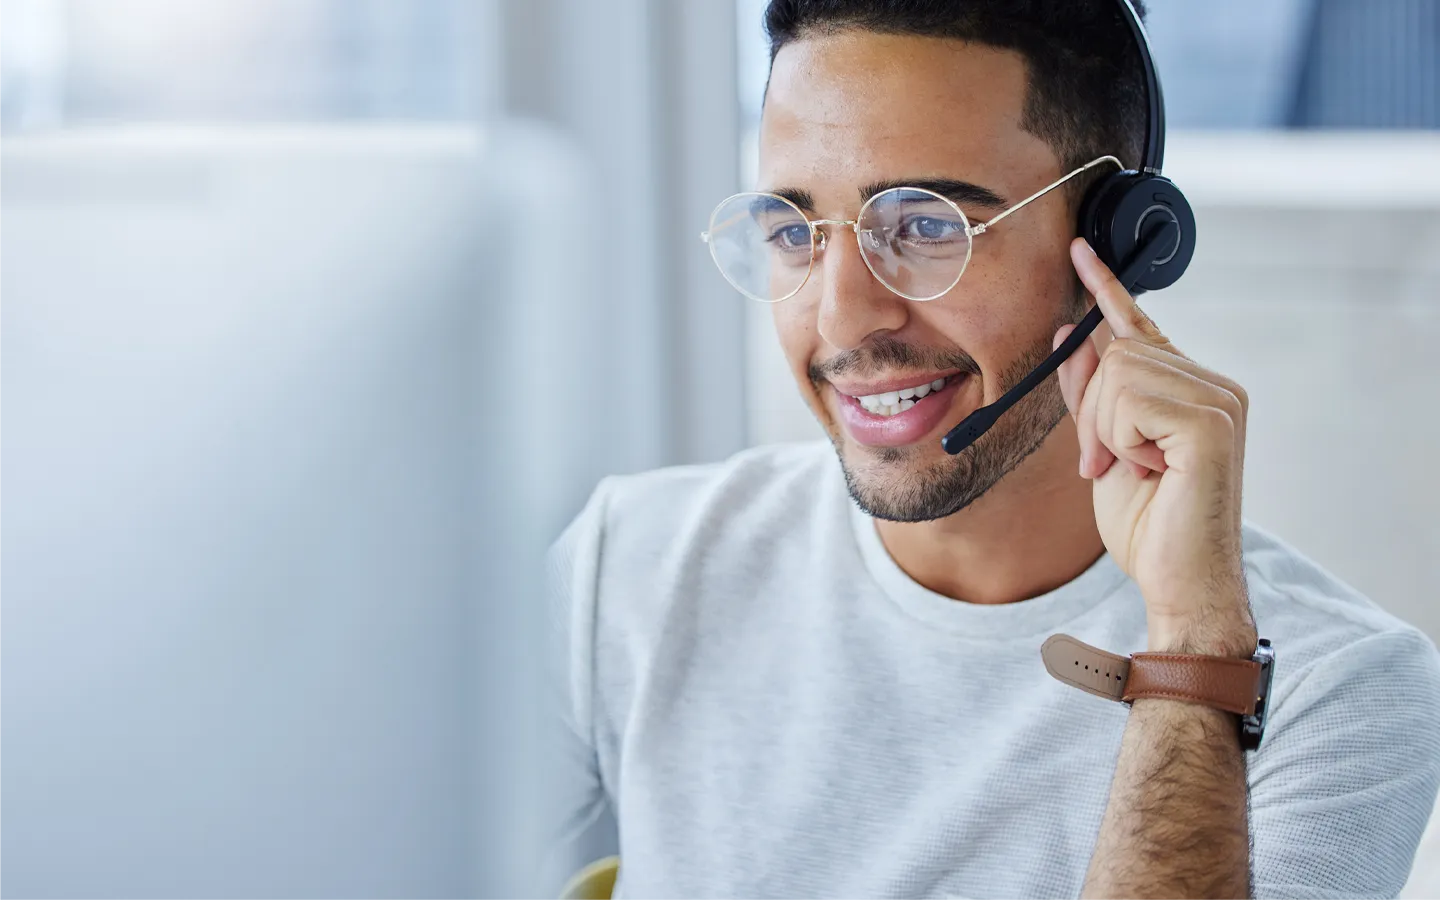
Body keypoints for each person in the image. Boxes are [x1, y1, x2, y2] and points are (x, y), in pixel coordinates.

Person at [545, 2, 1440, 897]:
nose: (842, 317)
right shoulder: (633, 566)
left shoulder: (1343, 686)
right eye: (794, 233)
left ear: (1121, 244)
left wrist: (1191, 648)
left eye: (928, 226)